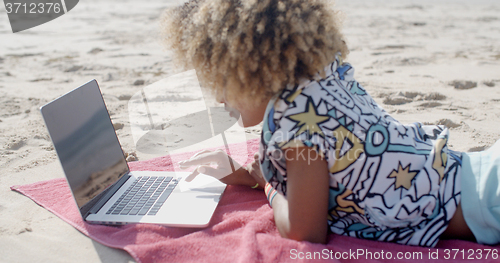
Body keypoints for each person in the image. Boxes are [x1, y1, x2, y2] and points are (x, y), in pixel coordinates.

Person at [162, 0, 499, 246]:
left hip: (488, 199)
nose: (219, 98)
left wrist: (268, 185)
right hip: (481, 170)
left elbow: (304, 232)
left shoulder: (297, 128)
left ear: (251, 69)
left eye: (221, 81)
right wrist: (253, 176)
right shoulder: (323, 73)